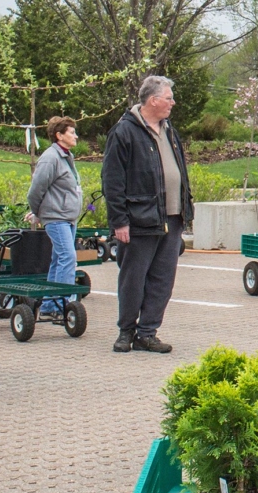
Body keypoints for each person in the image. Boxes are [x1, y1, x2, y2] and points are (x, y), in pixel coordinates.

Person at [102, 75, 192, 354]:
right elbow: (112, 180)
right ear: (153, 100)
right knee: (133, 278)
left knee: (162, 279)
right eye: (168, 98)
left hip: (171, 218)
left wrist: (186, 208)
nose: (172, 103)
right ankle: (126, 331)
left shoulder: (169, 131)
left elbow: (180, 172)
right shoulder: (124, 132)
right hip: (140, 219)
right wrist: (119, 221)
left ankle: (148, 332)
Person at [27, 116, 83, 319]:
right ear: (59, 135)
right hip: (56, 217)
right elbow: (36, 189)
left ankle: (50, 305)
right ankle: (63, 303)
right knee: (68, 257)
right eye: (71, 132)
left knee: (59, 259)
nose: (76, 136)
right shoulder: (50, 158)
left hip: (68, 218)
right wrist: (36, 212)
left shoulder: (66, 156)